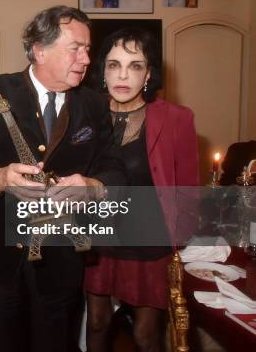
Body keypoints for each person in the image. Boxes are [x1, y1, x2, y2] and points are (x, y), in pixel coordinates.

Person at [0, 6, 125, 352]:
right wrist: (1, 178)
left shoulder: (94, 105)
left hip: (63, 259)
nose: (86, 58)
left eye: (87, 48)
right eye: (76, 48)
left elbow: (114, 168)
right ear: (40, 50)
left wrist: (93, 187)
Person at [84, 28, 199, 352]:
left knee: (146, 335)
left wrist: (182, 245)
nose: (122, 75)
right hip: (99, 239)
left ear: (148, 74)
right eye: (113, 64)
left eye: (135, 66)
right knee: (96, 322)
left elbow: (189, 187)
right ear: (102, 71)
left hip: (150, 242)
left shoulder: (177, 119)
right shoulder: (84, 114)